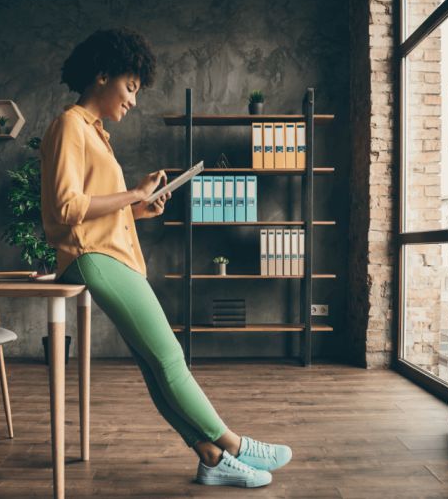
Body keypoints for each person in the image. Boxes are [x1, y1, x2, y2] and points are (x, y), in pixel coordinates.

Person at [40, 28, 291, 488]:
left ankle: (212, 459)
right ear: (102, 75)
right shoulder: (70, 125)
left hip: (108, 252)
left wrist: (139, 207)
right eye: (130, 87)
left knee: (155, 366)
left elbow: (96, 208)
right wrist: (131, 192)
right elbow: (65, 209)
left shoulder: (94, 133)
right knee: (171, 359)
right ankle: (235, 443)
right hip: (95, 257)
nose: (133, 101)